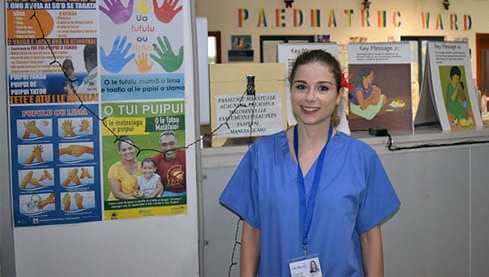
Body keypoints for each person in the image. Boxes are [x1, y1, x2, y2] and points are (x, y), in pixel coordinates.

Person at [219, 49, 400, 276]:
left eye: (323, 88)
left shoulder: (361, 158)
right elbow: (252, 232)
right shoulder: (262, 156)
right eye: (301, 86)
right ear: (291, 90)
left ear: (338, 96)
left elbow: (370, 237)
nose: (310, 97)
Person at [151, 131, 186, 196]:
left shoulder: (187, 155)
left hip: (187, 192)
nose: (168, 148)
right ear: (160, 146)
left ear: (177, 144)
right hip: (166, 194)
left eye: (172, 143)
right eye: (164, 144)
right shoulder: (154, 161)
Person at [107, 136, 141, 200]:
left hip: (135, 205)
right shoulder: (114, 168)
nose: (128, 152)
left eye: (130, 148)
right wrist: (135, 201)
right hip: (117, 205)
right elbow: (117, 194)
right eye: (124, 150)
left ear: (135, 148)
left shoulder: (142, 166)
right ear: (119, 152)